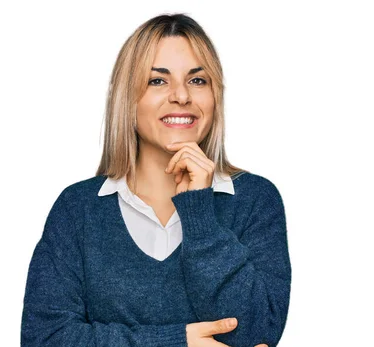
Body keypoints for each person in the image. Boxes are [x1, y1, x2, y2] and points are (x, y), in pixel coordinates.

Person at [20, 13, 291, 347]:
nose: (181, 96)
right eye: (157, 81)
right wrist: (178, 341)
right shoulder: (78, 209)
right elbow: (45, 339)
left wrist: (200, 215)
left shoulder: (254, 199)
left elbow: (256, 333)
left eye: (197, 80)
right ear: (127, 98)